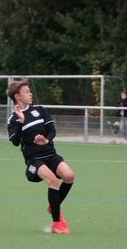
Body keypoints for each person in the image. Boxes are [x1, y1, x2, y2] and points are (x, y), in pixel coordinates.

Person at [7, 79, 76, 234]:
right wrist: (21, 122)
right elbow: (15, 142)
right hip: (34, 160)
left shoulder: (40, 110)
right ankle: (57, 224)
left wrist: (46, 140)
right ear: (17, 96)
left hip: (51, 154)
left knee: (69, 176)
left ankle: (53, 205)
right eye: (27, 92)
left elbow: (52, 130)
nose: (30, 94)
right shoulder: (13, 119)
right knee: (52, 180)